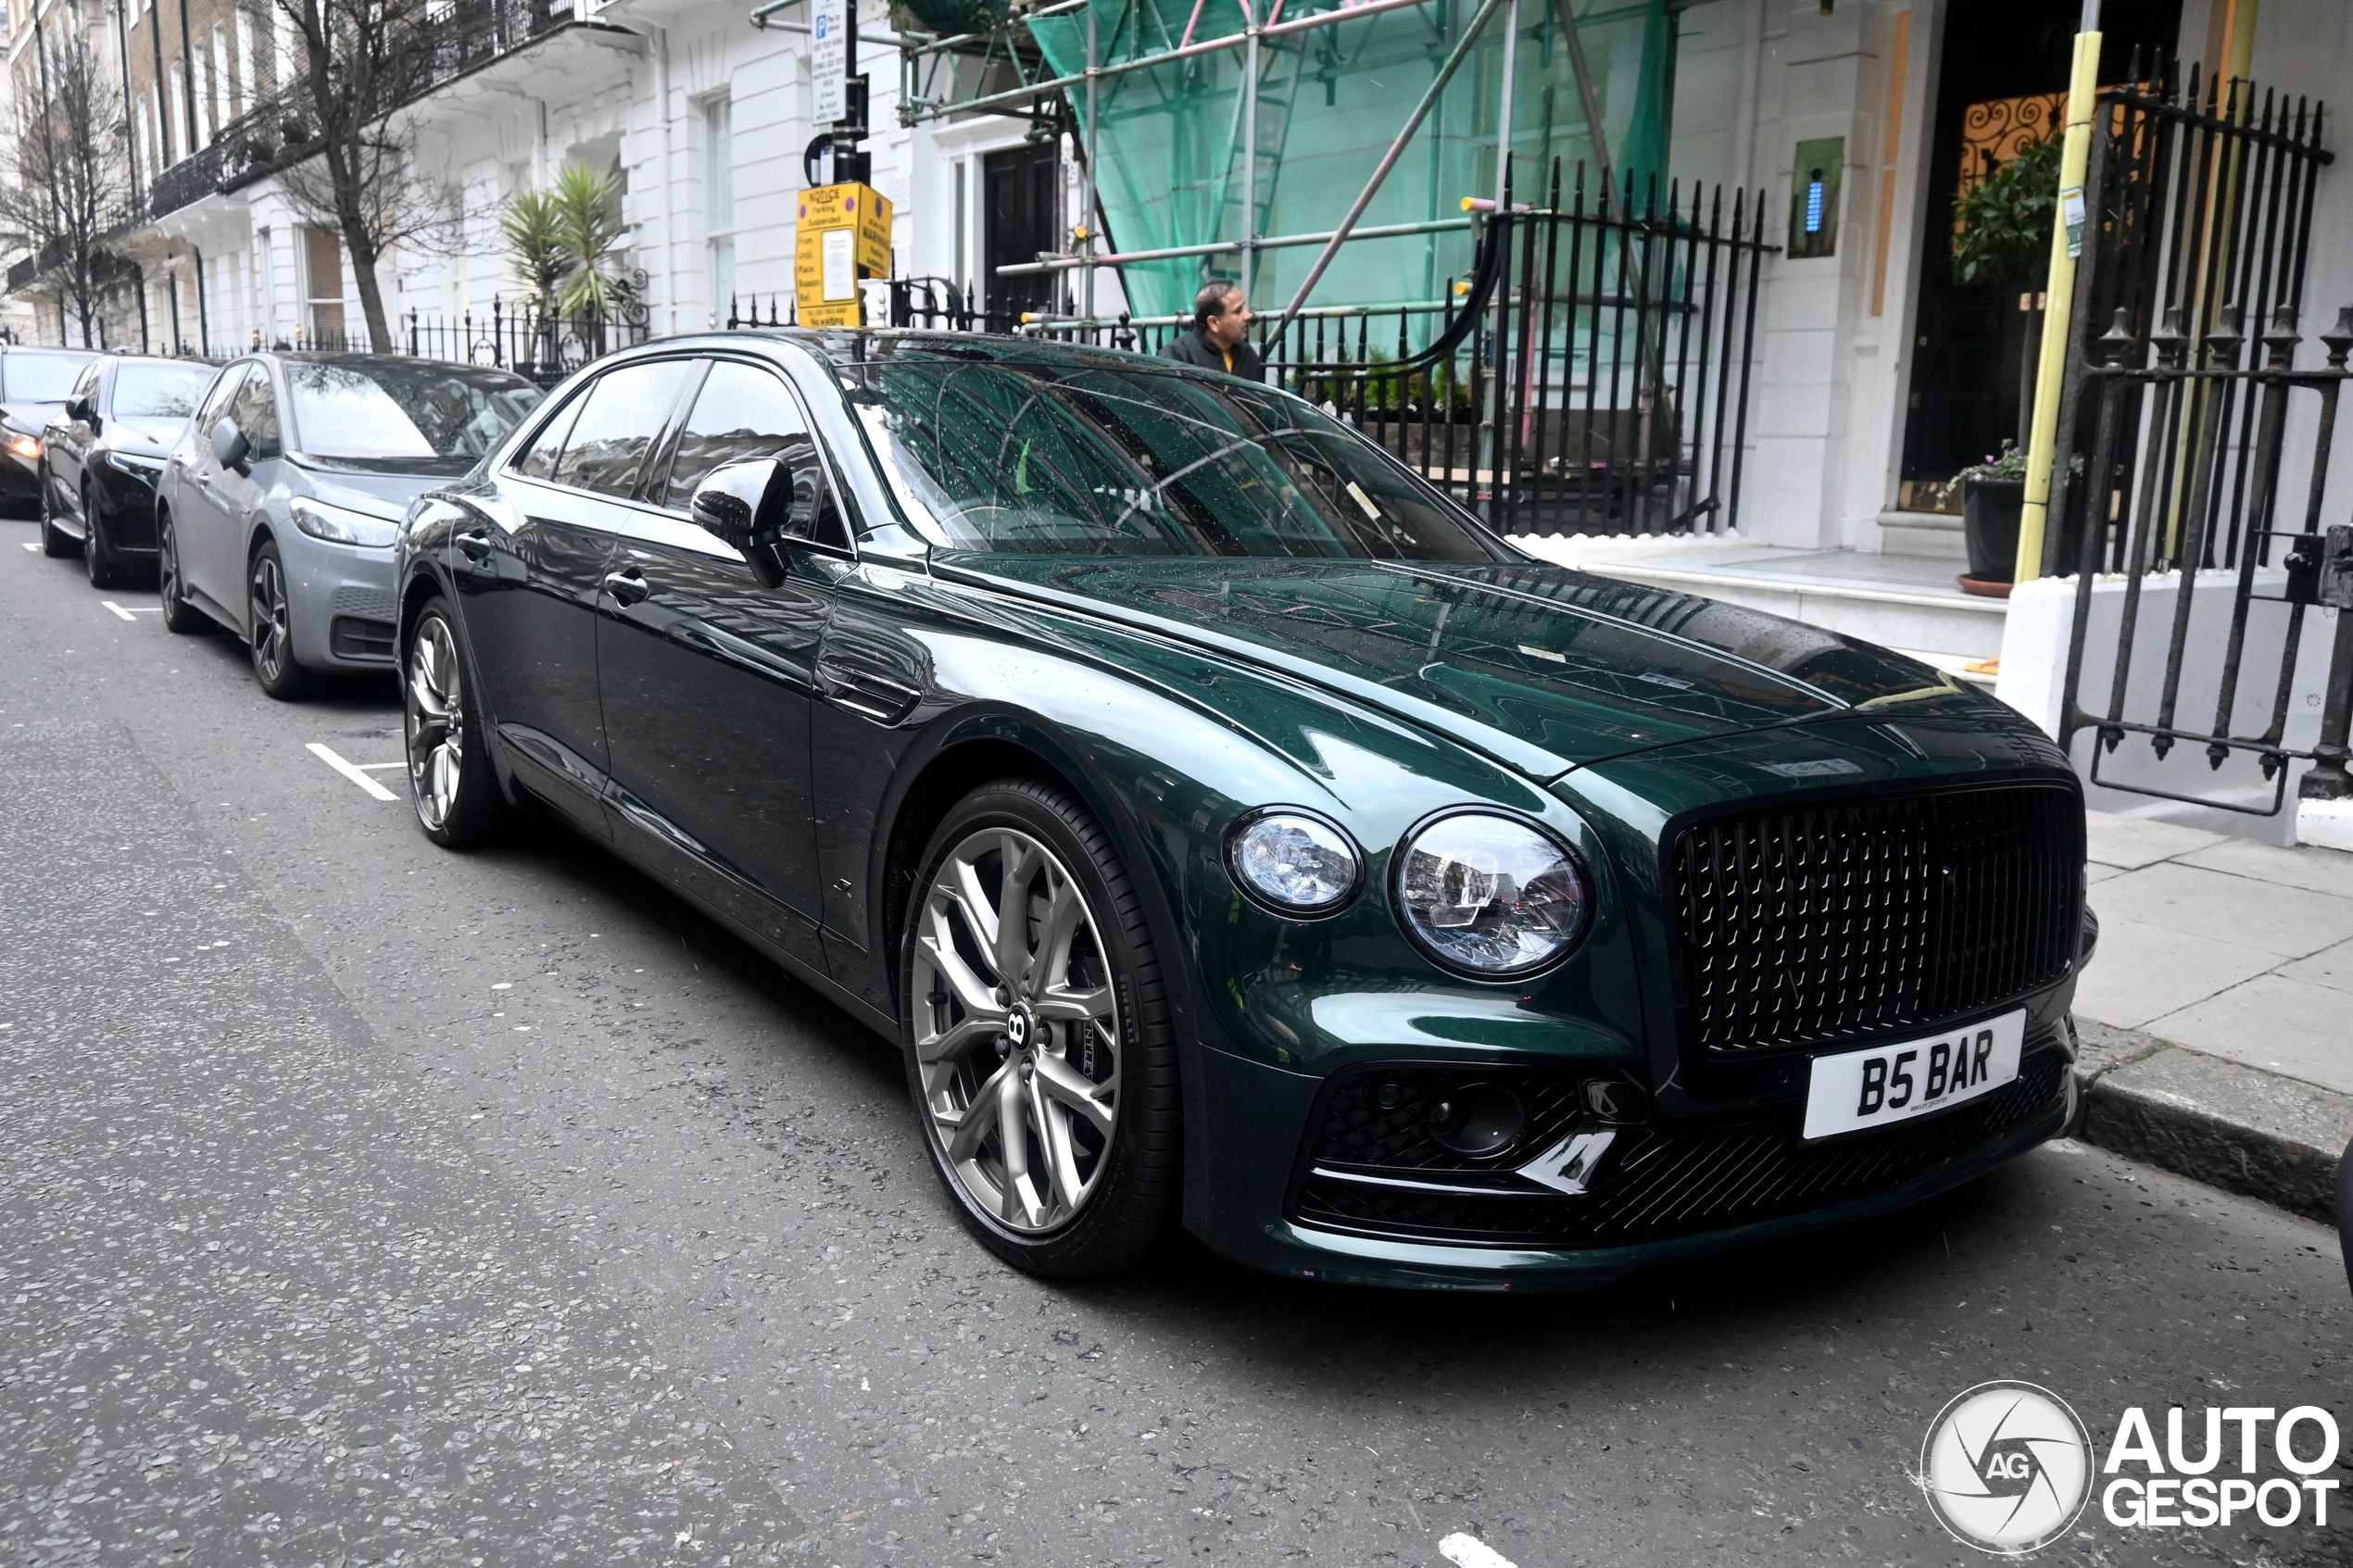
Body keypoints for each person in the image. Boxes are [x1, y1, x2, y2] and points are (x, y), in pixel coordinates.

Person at [1160, 281, 1265, 382]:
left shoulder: (1246, 353)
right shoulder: (1178, 355)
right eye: (1238, 311)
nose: (1247, 316)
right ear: (1213, 322)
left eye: (1244, 308)